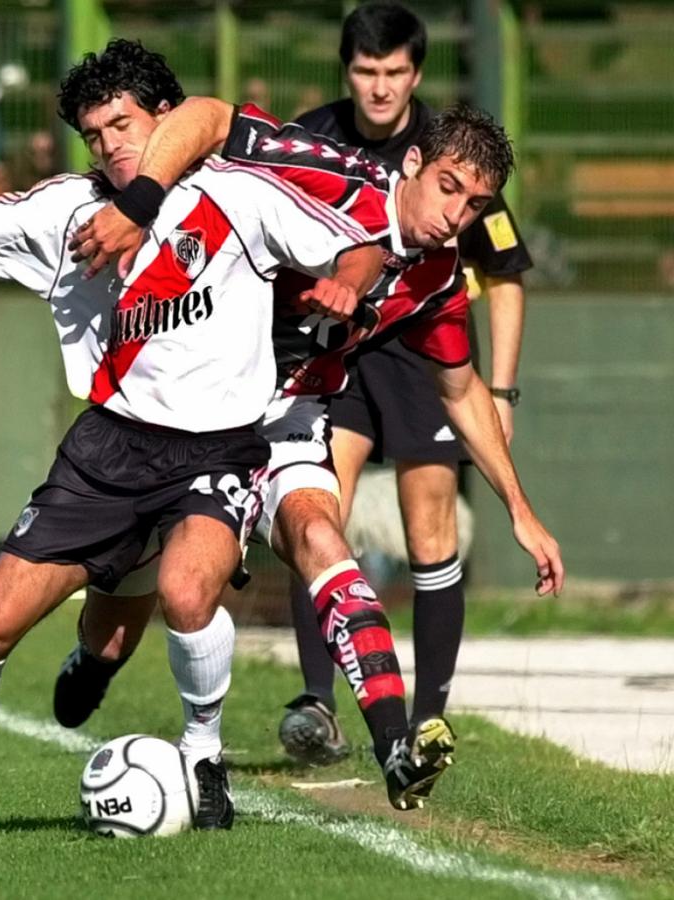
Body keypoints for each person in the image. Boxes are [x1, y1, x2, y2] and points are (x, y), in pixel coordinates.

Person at [0, 39, 386, 838]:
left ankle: (203, 757)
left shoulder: (241, 195)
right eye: (96, 134)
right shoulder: (67, 211)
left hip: (219, 451)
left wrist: (347, 282)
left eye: (124, 124)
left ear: (167, 119)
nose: (113, 145)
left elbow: (357, 241)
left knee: (190, 594)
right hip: (111, 452)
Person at [58, 100, 562, 805]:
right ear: (413, 163)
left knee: (321, 538)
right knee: (116, 624)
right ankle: (94, 656)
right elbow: (206, 117)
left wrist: (520, 510)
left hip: (290, 418)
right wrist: (142, 204)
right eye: (449, 188)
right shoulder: (329, 173)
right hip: (187, 410)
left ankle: (394, 749)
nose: (456, 216)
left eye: (475, 205)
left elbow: (461, 389)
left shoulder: (438, 277)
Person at [276, 1, 534, 762]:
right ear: (347, 72)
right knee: (317, 512)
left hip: (427, 350)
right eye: (365, 71)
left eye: (393, 72)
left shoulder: (453, 157)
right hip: (343, 347)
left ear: (415, 75)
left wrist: (504, 393)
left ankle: (429, 717)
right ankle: (317, 705)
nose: (379, 87)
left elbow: (507, 276)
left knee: (432, 530)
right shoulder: (314, 138)